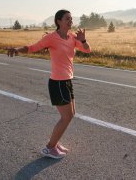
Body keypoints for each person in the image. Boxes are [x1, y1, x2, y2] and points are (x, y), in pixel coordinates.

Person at [6, 9, 91, 159]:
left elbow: (87, 50)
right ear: (58, 21)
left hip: (67, 81)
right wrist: (17, 49)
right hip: (57, 82)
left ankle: (55, 143)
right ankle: (49, 148)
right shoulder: (51, 38)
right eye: (67, 19)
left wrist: (83, 40)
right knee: (66, 117)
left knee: (70, 115)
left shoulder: (72, 37)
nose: (70, 21)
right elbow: (32, 48)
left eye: (71, 19)